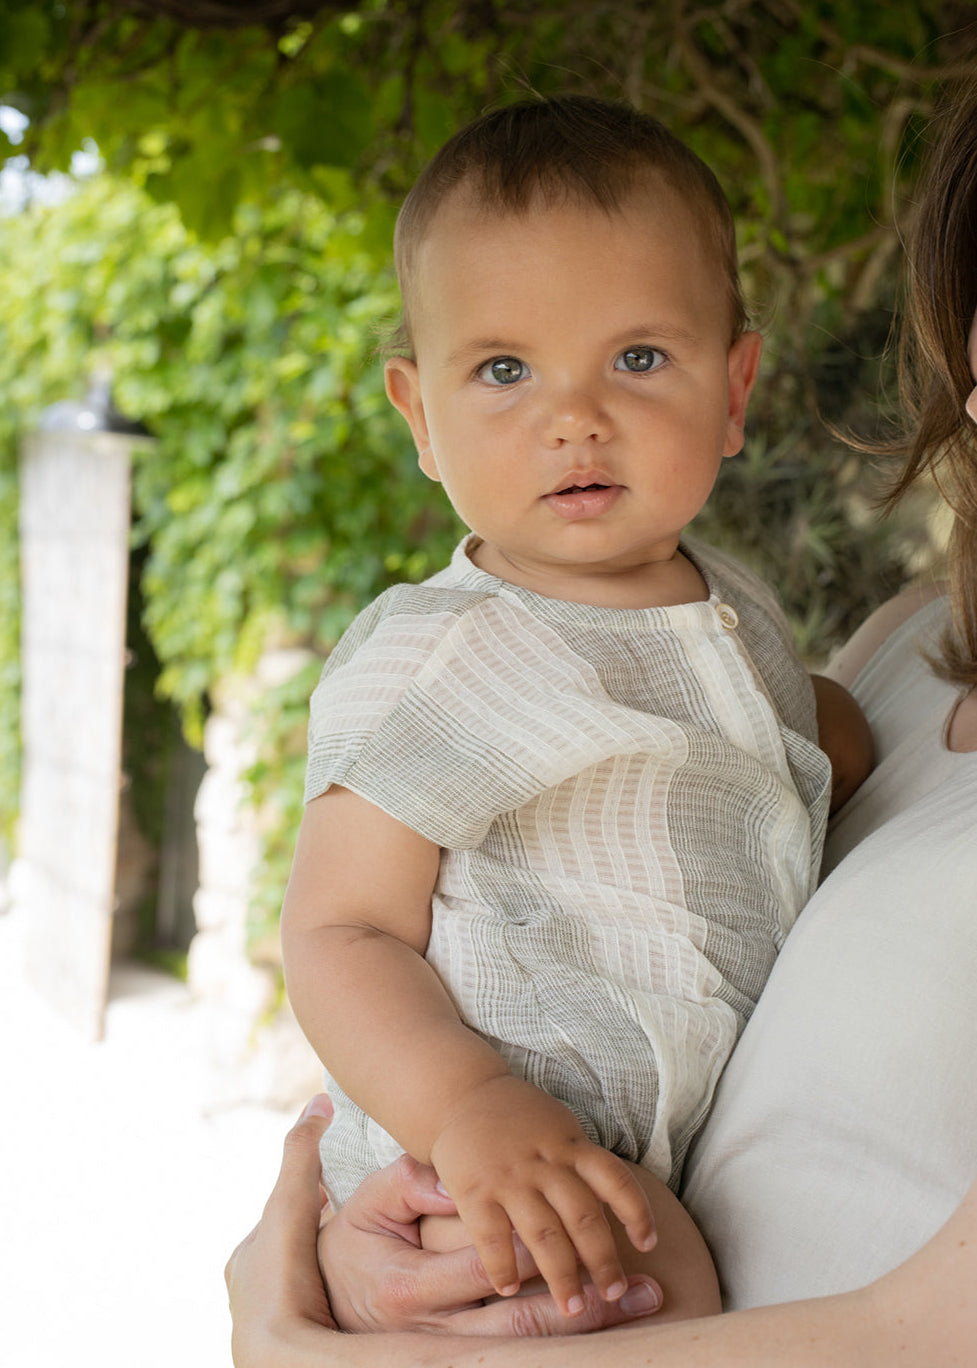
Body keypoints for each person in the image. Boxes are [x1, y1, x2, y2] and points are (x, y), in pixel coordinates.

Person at [226, 81, 977, 1362]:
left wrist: (834, 743)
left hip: (622, 1179)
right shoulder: (448, 654)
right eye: (503, 370)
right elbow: (342, 926)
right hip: (501, 1160)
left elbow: (789, 729)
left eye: (638, 359)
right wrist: (464, 1113)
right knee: (647, 1270)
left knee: (655, 1273)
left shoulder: (729, 615)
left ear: (733, 389)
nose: (572, 416)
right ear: (419, 416)